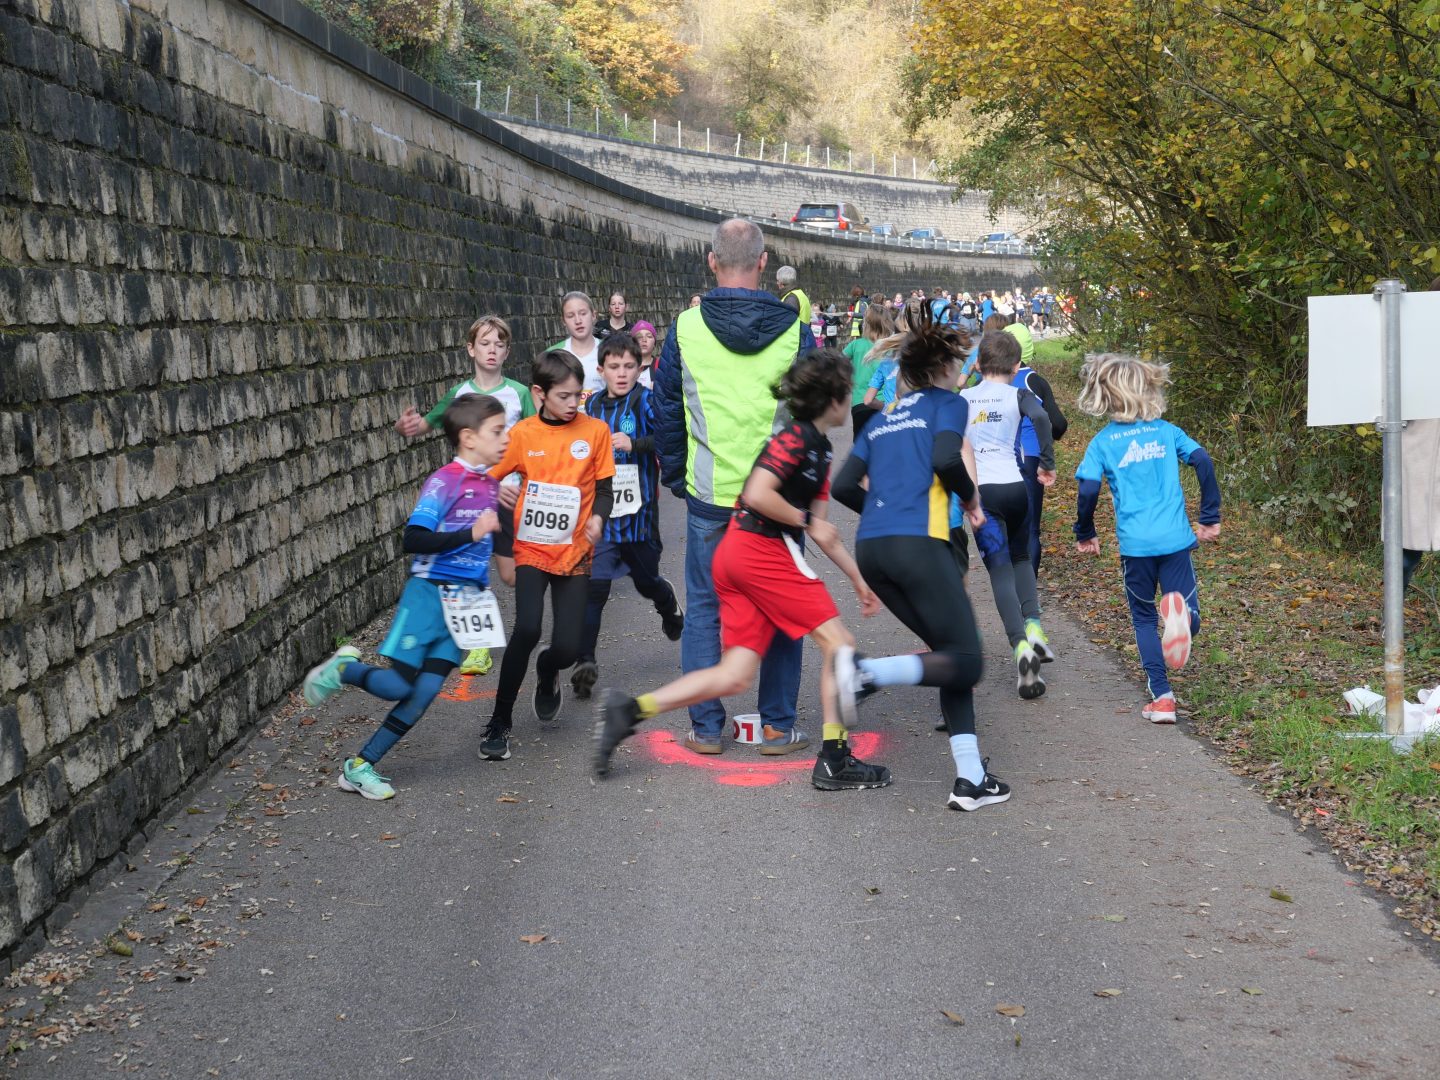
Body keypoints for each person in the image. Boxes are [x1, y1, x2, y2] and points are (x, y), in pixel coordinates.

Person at [596, 350, 895, 790]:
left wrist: (858, 580)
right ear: (832, 398)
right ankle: (835, 760)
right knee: (840, 644)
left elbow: (823, 530)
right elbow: (758, 494)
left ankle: (630, 710)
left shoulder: (820, 449)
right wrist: (803, 521)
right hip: (760, 551)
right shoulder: (795, 440)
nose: (850, 397)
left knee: (734, 674)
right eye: (846, 390)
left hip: (739, 554)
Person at [831, 307, 1010, 812]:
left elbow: (843, 486)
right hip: (920, 546)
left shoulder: (883, 418)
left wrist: (883, 512)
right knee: (969, 659)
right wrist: (971, 502)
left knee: (951, 656)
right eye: (959, 362)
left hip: (873, 548)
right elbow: (947, 458)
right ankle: (866, 674)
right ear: (945, 367)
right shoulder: (946, 404)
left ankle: (971, 779)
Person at [655, 219, 814, 755]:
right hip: (776, 499)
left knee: (704, 611)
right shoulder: (794, 330)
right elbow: (811, 416)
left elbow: (666, 410)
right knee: (783, 609)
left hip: (710, 497)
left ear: (711, 260)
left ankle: (705, 728)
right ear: (764, 263)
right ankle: (777, 727)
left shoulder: (685, 328)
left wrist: (677, 475)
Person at [303, 396, 508, 799]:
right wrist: (471, 533)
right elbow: (412, 539)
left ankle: (360, 766)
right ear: (469, 437)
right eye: (498, 432)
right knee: (398, 686)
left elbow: (490, 539)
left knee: (425, 694)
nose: (506, 439)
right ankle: (345, 669)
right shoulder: (444, 481)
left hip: (464, 605)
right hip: (428, 595)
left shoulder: (492, 485)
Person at [478, 352, 616, 760]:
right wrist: (496, 490)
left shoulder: (595, 431)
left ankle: (547, 669)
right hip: (532, 547)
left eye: (577, 395)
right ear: (539, 393)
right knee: (527, 628)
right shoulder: (522, 434)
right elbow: (484, 477)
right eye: (563, 396)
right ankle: (500, 721)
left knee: (568, 649)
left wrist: (598, 518)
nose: (573, 404)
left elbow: (605, 490)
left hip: (575, 551)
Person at [1073, 354, 1221, 724]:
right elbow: (1203, 461)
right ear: (1146, 389)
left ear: (1104, 395)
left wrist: (1086, 531)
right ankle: (1185, 620)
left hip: (1135, 545)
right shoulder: (1167, 431)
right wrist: (1209, 516)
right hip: (1175, 540)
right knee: (1186, 608)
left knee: (1143, 618)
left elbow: (1088, 489)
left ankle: (1164, 699)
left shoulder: (1102, 442)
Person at [393, 314, 536, 672]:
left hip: (507, 493)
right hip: (467, 498)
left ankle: (534, 607)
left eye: (499, 344)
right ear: (471, 349)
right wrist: (408, 426)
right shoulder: (458, 394)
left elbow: (534, 440)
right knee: (471, 564)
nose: (492, 350)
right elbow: (427, 424)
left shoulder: (518, 393)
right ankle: (478, 644)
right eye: (484, 343)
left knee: (510, 573)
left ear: (507, 351)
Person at [570, 335, 684, 699]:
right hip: (602, 517)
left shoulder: (646, 401)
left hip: (639, 517)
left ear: (639, 368)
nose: (622, 374)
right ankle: (585, 662)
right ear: (600, 370)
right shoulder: (591, 406)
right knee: (595, 588)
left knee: (645, 582)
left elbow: (668, 438)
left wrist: (635, 443)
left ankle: (666, 602)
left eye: (629, 366)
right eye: (614, 367)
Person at [962, 331, 1057, 699]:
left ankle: (1020, 647)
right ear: (1016, 366)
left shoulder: (963, 399)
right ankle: (1034, 627)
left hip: (984, 493)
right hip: (1017, 488)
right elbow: (1042, 418)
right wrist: (1046, 463)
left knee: (1000, 571)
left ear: (978, 364)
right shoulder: (1018, 394)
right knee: (1021, 558)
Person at [1003, 320, 1069, 574]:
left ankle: (1006, 583)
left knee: (1001, 525)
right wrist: (1048, 439)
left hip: (997, 460)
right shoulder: (1035, 381)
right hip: (1029, 459)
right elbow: (1059, 424)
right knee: (1030, 528)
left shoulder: (990, 382)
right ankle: (1028, 587)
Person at [845, 303, 892, 435]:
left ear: (866, 324)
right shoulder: (890, 346)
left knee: (861, 443)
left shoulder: (855, 345)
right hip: (884, 403)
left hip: (860, 402)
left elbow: (837, 362)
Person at [549, 291, 605, 400]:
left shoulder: (610, 350)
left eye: (583, 313)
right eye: (570, 316)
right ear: (563, 321)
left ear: (593, 315)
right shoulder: (553, 355)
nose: (578, 321)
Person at [632, 320, 660, 386]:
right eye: (639, 337)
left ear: (654, 344)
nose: (644, 340)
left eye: (649, 336)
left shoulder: (661, 367)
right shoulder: (625, 368)